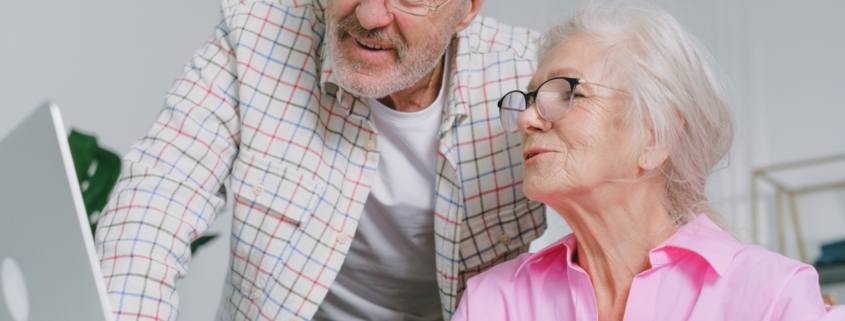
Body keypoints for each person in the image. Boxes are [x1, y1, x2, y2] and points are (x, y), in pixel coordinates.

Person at [94, 0, 546, 320]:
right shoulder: (256, 29)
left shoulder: (528, 77)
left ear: (467, 9)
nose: (370, 15)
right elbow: (155, 203)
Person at [454, 4, 845, 321]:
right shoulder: (492, 302)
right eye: (527, 100)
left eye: (562, 92)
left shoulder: (773, 296)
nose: (526, 119)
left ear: (654, 136)